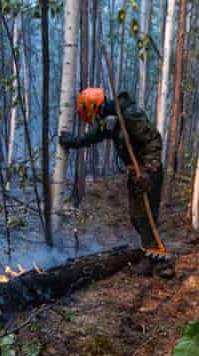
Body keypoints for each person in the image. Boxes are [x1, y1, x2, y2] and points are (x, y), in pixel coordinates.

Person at [58, 88, 167, 265]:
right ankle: (151, 253)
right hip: (135, 173)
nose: (93, 120)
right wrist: (72, 141)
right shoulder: (110, 120)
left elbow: (153, 141)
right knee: (137, 217)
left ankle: (158, 259)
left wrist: (148, 171)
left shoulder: (130, 115)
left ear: (94, 107)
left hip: (148, 172)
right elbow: (92, 136)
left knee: (145, 216)